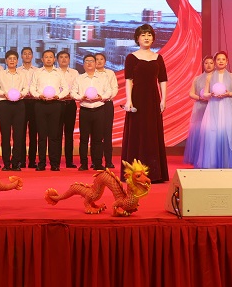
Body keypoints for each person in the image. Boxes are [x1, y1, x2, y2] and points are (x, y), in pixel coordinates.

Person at [122, 24, 170, 182]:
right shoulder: (131, 57)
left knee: (152, 134)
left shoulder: (158, 58)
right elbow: (128, 80)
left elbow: (163, 80)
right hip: (137, 99)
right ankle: (134, 173)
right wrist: (129, 100)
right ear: (137, 39)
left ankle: (154, 173)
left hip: (153, 99)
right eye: (143, 35)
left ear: (153, 38)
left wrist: (163, 99)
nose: (146, 38)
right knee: (137, 133)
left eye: (149, 35)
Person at [195, 50, 232, 170]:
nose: (221, 61)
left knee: (227, 133)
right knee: (213, 134)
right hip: (213, 107)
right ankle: (213, 163)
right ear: (215, 62)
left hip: (228, 107)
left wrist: (229, 93)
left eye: (223, 59)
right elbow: (205, 94)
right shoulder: (210, 76)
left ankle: (228, 162)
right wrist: (211, 94)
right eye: (218, 59)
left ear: (227, 62)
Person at [30, 49, 70, 170]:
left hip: (55, 105)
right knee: (42, 136)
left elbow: (66, 89)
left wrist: (58, 96)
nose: (48, 59)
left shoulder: (59, 72)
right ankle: (41, 163)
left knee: (54, 135)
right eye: (46, 57)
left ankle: (54, 164)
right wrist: (38, 95)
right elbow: (32, 88)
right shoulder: (37, 72)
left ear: (54, 59)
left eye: (51, 57)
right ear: (42, 59)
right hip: (40, 104)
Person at [72, 55, 114, 170]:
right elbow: (73, 92)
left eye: (91, 61)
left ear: (95, 64)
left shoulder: (103, 78)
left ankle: (98, 163)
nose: (89, 63)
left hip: (99, 110)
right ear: (83, 64)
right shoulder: (79, 78)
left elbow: (109, 91)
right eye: (87, 61)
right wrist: (81, 97)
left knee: (98, 139)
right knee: (84, 138)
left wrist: (101, 97)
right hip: (85, 111)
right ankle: (84, 163)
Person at [0, 50, 28, 171]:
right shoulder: (1, 74)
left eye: (14, 58)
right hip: (4, 104)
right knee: (5, 135)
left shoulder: (22, 75)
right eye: (10, 58)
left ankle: (16, 163)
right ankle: (6, 163)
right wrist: (5, 93)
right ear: (6, 61)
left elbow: (26, 88)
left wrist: (20, 94)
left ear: (17, 61)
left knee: (18, 135)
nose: (12, 60)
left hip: (19, 105)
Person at [183, 55, 216, 169]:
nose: (209, 65)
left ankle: (211, 158)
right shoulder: (197, 78)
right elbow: (191, 93)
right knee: (199, 132)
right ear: (203, 64)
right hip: (200, 107)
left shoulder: (217, 78)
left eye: (211, 63)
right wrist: (200, 98)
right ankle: (198, 158)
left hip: (212, 107)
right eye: (206, 63)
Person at [56, 50, 80, 170]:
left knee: (69, 133)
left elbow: (77, 88)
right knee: (57, 133)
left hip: (70, 104)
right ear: (57, 60)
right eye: (61, 57)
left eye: (66, 57)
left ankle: (69, 161)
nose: (64, 59)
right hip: (57, 104)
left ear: (69, 60)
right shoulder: (54, 72)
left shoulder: (75, 73)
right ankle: (56, 161)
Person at [94, 52, 118, 169]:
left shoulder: (110, 73)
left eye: (101, 59)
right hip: (94, 105)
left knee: (107, 134)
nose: (99, 61)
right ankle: (96, 161)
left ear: (105, 61)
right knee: (95, 134)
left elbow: (114, 89)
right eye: (96, 59)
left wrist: (104, 97)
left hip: (107, 104)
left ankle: (108, 161)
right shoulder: (90, 73)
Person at [19, 46, 39, 169]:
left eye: (29, 53)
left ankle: (32, 160)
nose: (27, 55)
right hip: (21, 103)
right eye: (25, 53)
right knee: (20, 133)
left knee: (33, 133)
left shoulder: (37, 71)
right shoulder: (17, 71)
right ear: (21, 56)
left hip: (34, 103)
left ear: (32, 56)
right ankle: (21, 160)